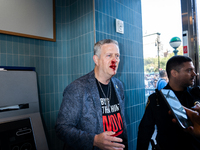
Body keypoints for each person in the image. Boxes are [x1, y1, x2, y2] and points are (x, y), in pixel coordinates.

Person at [55, 39, 128, 150]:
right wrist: (93, 140)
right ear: (96, 60)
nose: (115, 60)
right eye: (109, 55)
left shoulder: (119, 86)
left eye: (117, 56)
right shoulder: (77, 88)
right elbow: (62, 128)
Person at [137, 55, 200, 150]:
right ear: (174, 73)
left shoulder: (196, 94)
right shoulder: (156, 99)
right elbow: (145, 131)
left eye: (193, 70)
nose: (194, 74)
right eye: (189, 70)